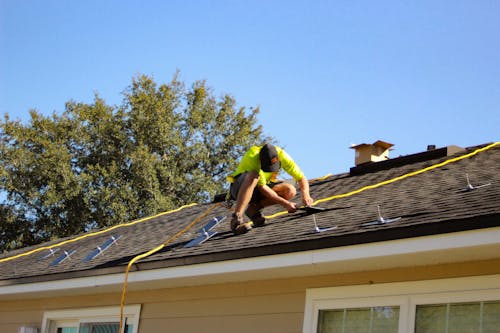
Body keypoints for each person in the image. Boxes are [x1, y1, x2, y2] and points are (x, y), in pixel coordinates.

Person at [227, 143, 314, 235]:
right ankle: (237, 219)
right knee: (253, 176)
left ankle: (253, 209)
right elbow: (262, 188)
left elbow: (301, 178)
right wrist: (286, 204)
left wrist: (306, 195)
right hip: (239, 188)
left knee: (290, 190)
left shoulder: (282, 155)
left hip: (260, 189)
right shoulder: (252, 157)